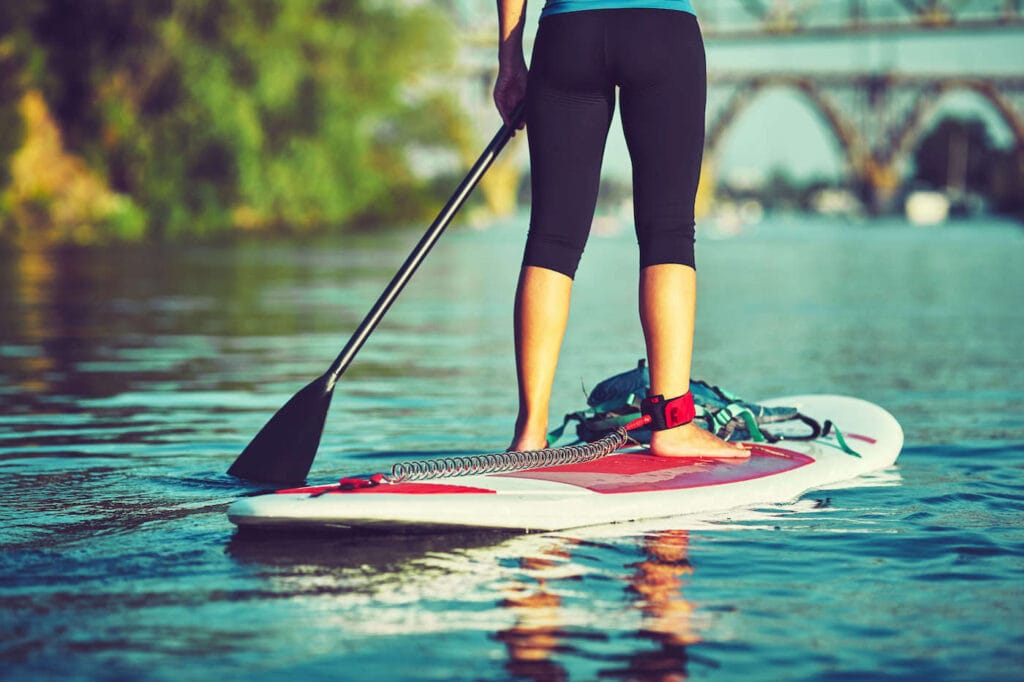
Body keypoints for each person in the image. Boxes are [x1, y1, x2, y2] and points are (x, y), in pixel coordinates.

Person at [494, 0, 747, 458]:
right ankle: (672, 424)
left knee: (551, 238)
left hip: (568, 31)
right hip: (661, 26)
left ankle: (530, 432)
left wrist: (509, 58)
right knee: (668, 231)